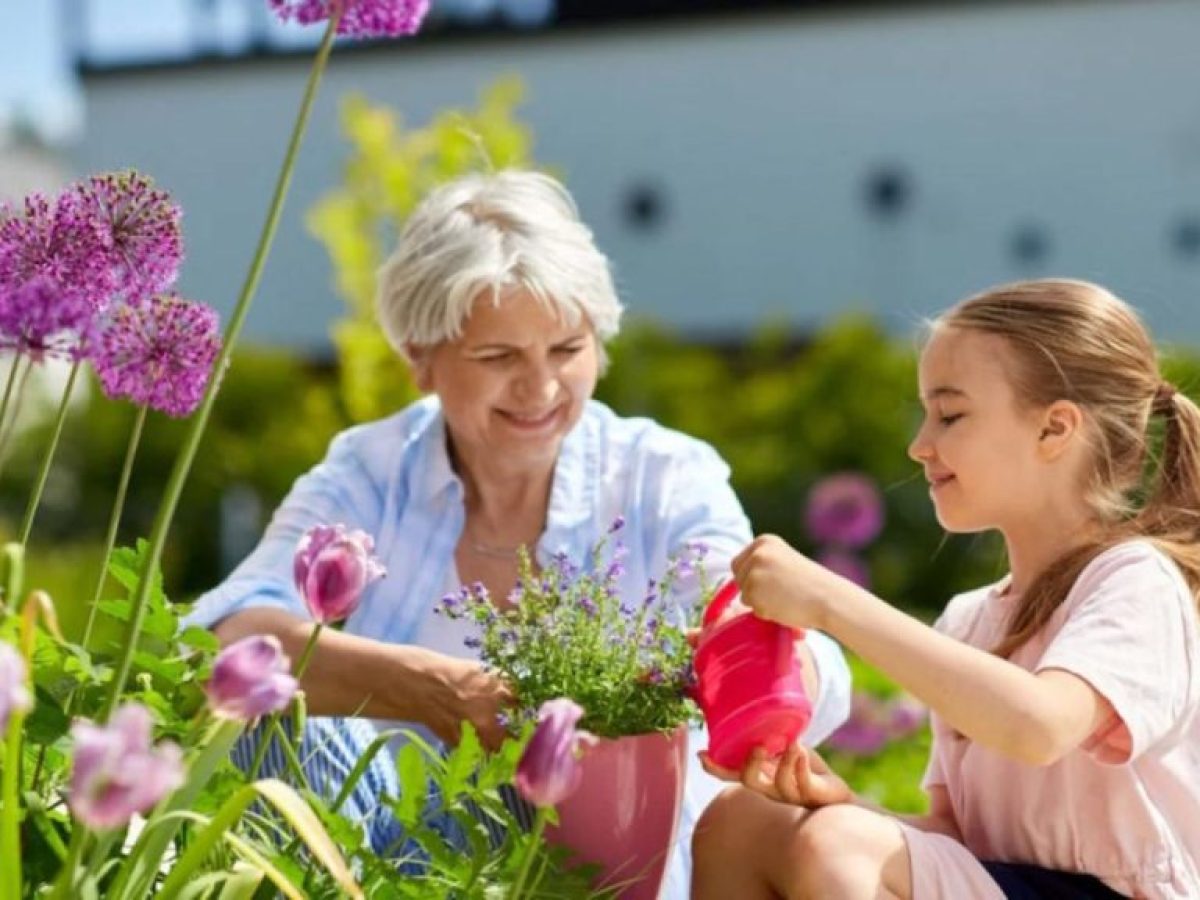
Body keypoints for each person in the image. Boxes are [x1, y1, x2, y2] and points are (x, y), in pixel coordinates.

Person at [187, 169, 851, 897]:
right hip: (390, 865)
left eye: (567, 350)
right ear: (419, 357)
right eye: (498, 357)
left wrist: (770, 687)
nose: (539, 389)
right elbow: (223, 640)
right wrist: (435, 691)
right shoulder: (371, 471)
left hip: (607, 860)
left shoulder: (661, 475)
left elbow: (752, 617)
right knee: (269, 714)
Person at [691, 279, 1200, 900]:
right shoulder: (967, 619)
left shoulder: (1134, 581)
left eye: (950, 414)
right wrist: (844, 804)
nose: (919, 444)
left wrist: (830, 600)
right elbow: (959, 840)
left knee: (834, 844)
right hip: (1009, 886)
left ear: (1055, 430)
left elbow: (1038, 726)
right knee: (739, 822)